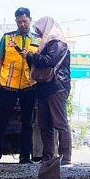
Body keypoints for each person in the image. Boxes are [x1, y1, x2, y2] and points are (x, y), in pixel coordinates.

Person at [0, 7, 40, 165]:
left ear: (30, 20)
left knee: (27, 122)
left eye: (25, 21)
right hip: (8, 85)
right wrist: (0, 80)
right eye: (19, 21)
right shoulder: (8, 37)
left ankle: (25, 157)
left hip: (29, 85)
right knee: (1, 121)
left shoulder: (38, 39)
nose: (22, 24)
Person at [23, 16, 71, 166]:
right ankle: (48, 158)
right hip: (44, 87)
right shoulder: (45, 44)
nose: (37, 34)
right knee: (44, 125)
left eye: (39, 30)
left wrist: (30, 55)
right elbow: (38, 64)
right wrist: (29, 57)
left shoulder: (57, 43)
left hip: (57, 87)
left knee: (60, 123)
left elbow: (48, 61)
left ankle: (65, 158)